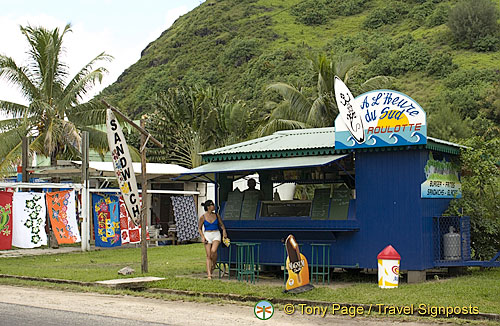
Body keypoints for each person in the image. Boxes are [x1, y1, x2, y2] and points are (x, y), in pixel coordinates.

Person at [198, 199, 227, 279]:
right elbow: (199, 228)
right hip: (207, 234)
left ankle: (213, 264)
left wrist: (224, 231)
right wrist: (203, 237)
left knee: (213, 251)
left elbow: (221, 225)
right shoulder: (203, 217)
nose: (213, 206)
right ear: (208, 207)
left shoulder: (216, 215)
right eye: (212, 205)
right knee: (208, 255)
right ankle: (209, 274)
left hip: (216, 233)